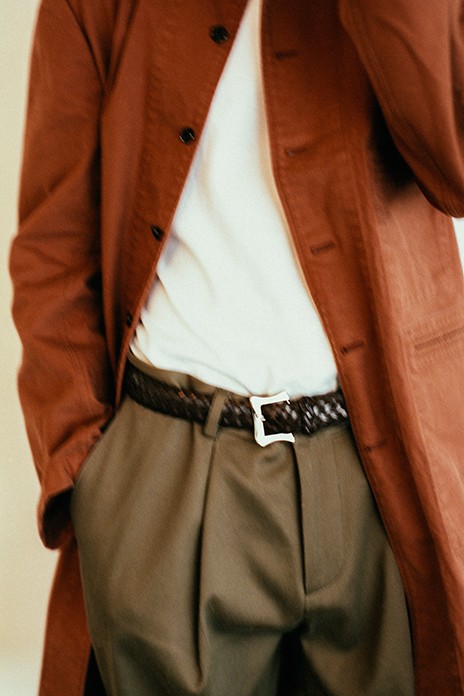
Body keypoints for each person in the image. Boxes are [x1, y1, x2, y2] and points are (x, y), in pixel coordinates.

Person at [9, 0, 464, 694]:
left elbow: (454, 163)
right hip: (172, 472)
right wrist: (85, 473)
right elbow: (53, 243)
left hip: (381, 474)